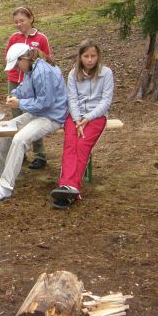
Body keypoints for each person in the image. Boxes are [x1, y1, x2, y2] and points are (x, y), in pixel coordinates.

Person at [0, 43, 67, 201]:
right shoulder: (32, 68)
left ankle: (5, 187)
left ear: (25, 58)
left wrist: (20, 104)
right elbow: (25, 88)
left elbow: (45, 103)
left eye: (16, 64)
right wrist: (14, 94)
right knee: (8, 126)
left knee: (20, 139)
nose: (16, 68)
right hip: (39, 112)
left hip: (52, 116)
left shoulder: (42, 71)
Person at [51, 40, 114, 209]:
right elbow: (72, 99)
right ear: (80, 57)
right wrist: (78, 119)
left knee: (82, 145)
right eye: (86, 56)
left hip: (96, 117)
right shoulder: (73, 73)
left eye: (93, 56)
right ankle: (65, 186)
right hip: (75, 117)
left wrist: (88, 118)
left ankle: (72, 188)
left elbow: (106, 101)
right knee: (71, 145)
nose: (90, 59)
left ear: (98, 56)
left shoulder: (106, 73)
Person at [5, 6, 52, 170]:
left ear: (31, 18)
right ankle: (21, 151)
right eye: (16, 22)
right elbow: (8, 58)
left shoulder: (41, 38)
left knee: (33, 116)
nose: (19, 24)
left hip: (33, 83)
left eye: (22, 20)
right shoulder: (14, 38)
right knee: (16, 116)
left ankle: (40, 154)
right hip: (15, 80)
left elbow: (46, 59)